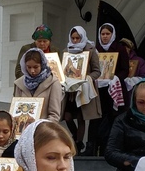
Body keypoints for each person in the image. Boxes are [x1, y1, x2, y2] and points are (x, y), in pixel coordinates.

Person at [62, 26, 101, 154]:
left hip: (83, 89)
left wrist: (87, 78)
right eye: (73, 38)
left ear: (82, 37)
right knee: (67, 117)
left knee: (80, 117)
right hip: (70, 91)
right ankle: (74, 137)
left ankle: (79, 144)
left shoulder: (90, 50)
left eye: (77, 38)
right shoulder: (66, 51)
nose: (75, 40)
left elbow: (97, 71)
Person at [93, 22, 129, 155]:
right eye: (102, 34)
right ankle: (99, 148)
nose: (105, 37)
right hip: (100, 90)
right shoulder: (96, 49)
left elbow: (125, 70)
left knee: (114, 118)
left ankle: (114, 147)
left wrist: (115, 77)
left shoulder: (119, 49)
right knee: (99, 119)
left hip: (115, 88)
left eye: (108, 34)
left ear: (112, 35)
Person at [13, 48, 63, 122]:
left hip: (43, 131)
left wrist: (41, 128)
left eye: (36, 67)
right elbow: (15, 112)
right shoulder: (19, 83)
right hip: (22, 130)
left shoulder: (53, 83)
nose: (32, 71)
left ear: (42, 65)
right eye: (29, 67)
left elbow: (54, 115)